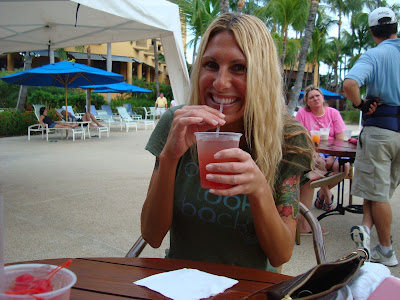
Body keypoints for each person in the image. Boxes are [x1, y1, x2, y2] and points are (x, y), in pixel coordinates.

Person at [140, 13, 314, 272]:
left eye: (239, 68)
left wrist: (259, 189)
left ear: (261, 74)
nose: (220, 83)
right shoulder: (178, 123)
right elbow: (153, 236)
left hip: (251, 290)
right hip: (179, 284)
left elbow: (280, 255)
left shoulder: (288, 138)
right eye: (211, 64)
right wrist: (169, 158)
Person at [343, 7, 400, 267]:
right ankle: (366, 229)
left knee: (378, 195)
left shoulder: (375, 55)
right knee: (377, 190)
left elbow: (350, 84)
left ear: (372, 31)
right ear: (395, 27)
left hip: (381, 130)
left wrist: (360, 105)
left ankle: (386, 251)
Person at [295, 86, 348, 221]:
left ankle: (321, 194)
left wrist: (333, 156)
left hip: (332, 151)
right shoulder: (302, 113)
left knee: (344, 167)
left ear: (323, 98)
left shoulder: (333, 113)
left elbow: (340, 139)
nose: (315, 99)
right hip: (312, 151)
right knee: (319, 164)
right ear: (307, 102)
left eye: (317, 96)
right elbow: (299, 137)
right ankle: (327, 195)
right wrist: (315, 154)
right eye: (311, 97)